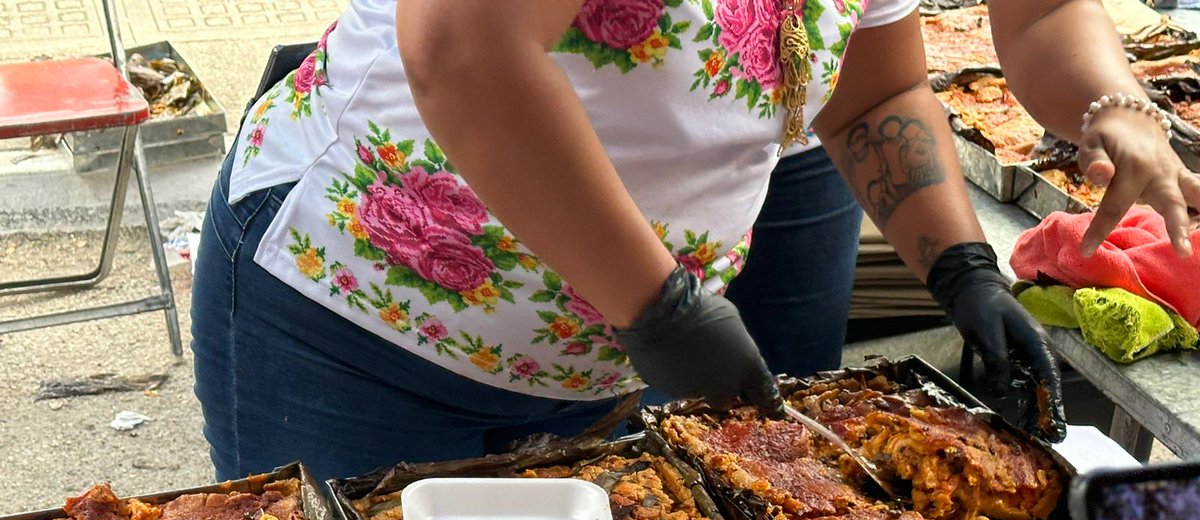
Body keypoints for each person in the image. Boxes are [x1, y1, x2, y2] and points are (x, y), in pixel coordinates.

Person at [192, 0, 1200, 483]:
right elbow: (465, 46)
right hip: (356, 318)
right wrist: (660, 310)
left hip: (593, 355)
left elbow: (877, 91)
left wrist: (962, 266)